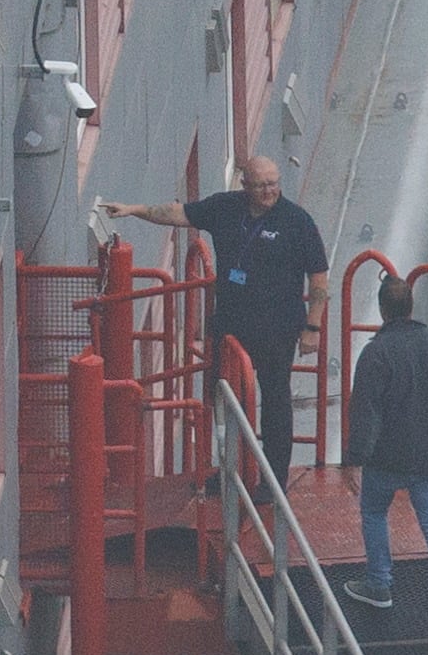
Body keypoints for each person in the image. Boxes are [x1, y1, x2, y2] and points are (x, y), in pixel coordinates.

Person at [104, 156, 328, 487]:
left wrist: (313, 328)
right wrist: (135, 209)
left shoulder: (297, 221)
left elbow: (319, 278)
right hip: (232, 323)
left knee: (275, 400)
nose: (269, 191)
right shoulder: (226, 207)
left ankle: (274, 481)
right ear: (245, 186)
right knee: (223, 399)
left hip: (277, 328)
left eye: (273, 183)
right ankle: (228, 474)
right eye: (261, 185)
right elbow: (180, 214)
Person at [339, 272, 428, 634]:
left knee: (374, 511)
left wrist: (354, 459)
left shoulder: (375, 353)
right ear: (412, 306)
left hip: (387, 458)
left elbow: (364, 412)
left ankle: (379, 585)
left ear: (383, 310)